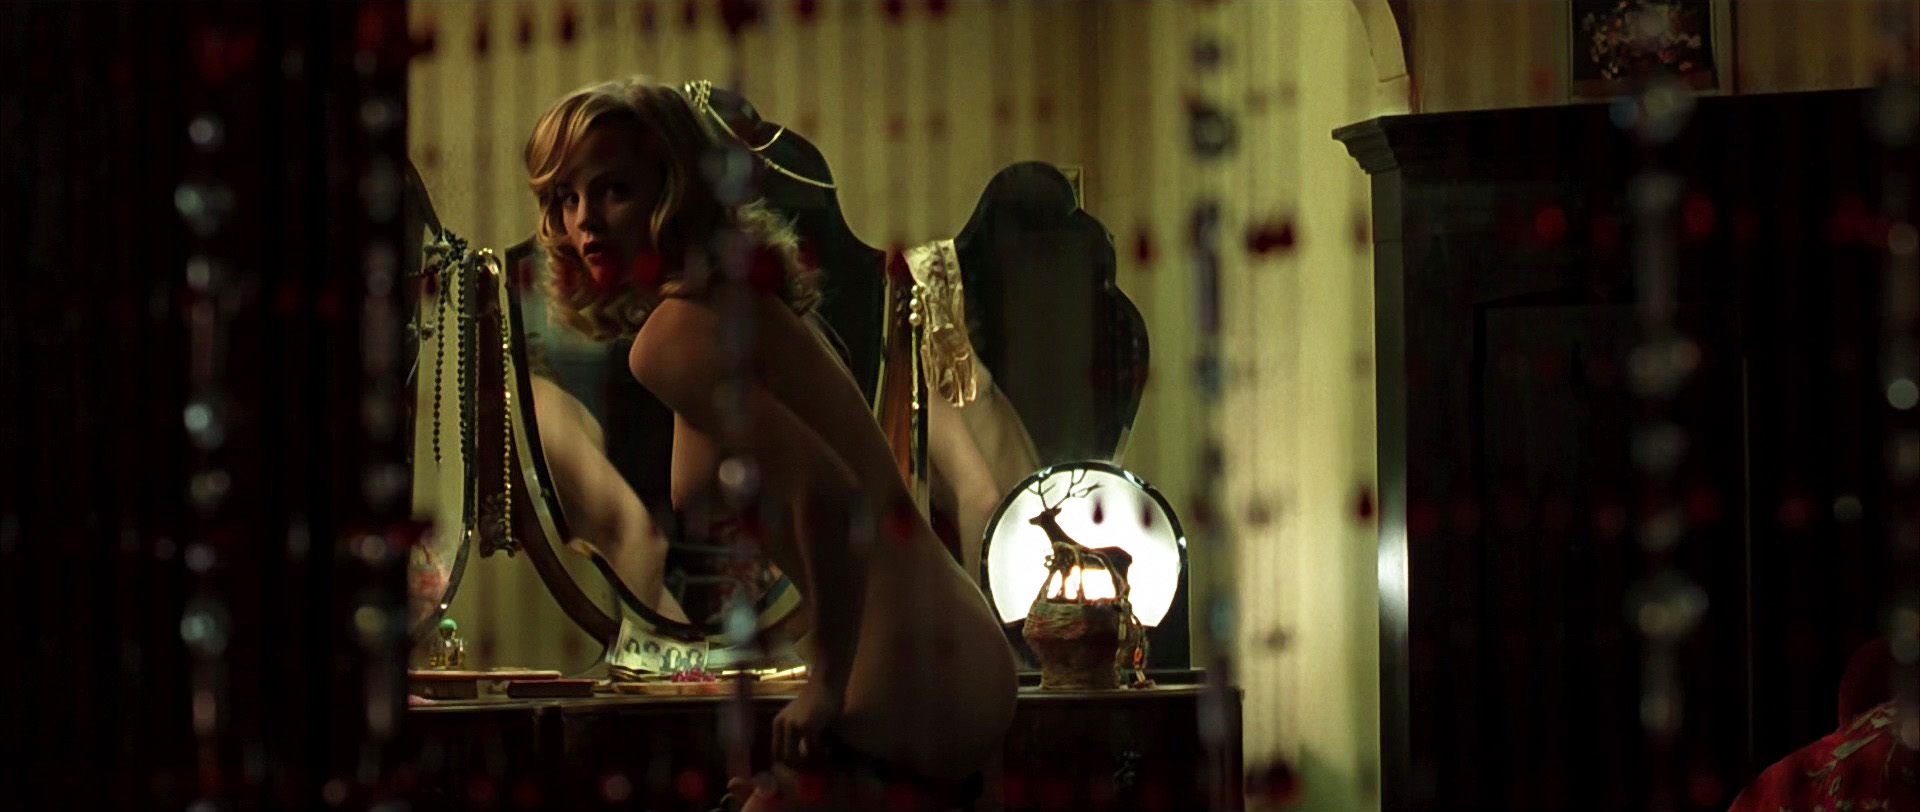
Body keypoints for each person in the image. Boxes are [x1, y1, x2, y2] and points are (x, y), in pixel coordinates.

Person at [524, 77, 1018, 811]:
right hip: (943, 649)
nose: (583, 222)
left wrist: (824, 687)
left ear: (670, 189)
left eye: (613, 190)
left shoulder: (674, 337)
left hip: (904, 669)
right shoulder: (730, 304)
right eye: (566, 197)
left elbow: (832, 494)